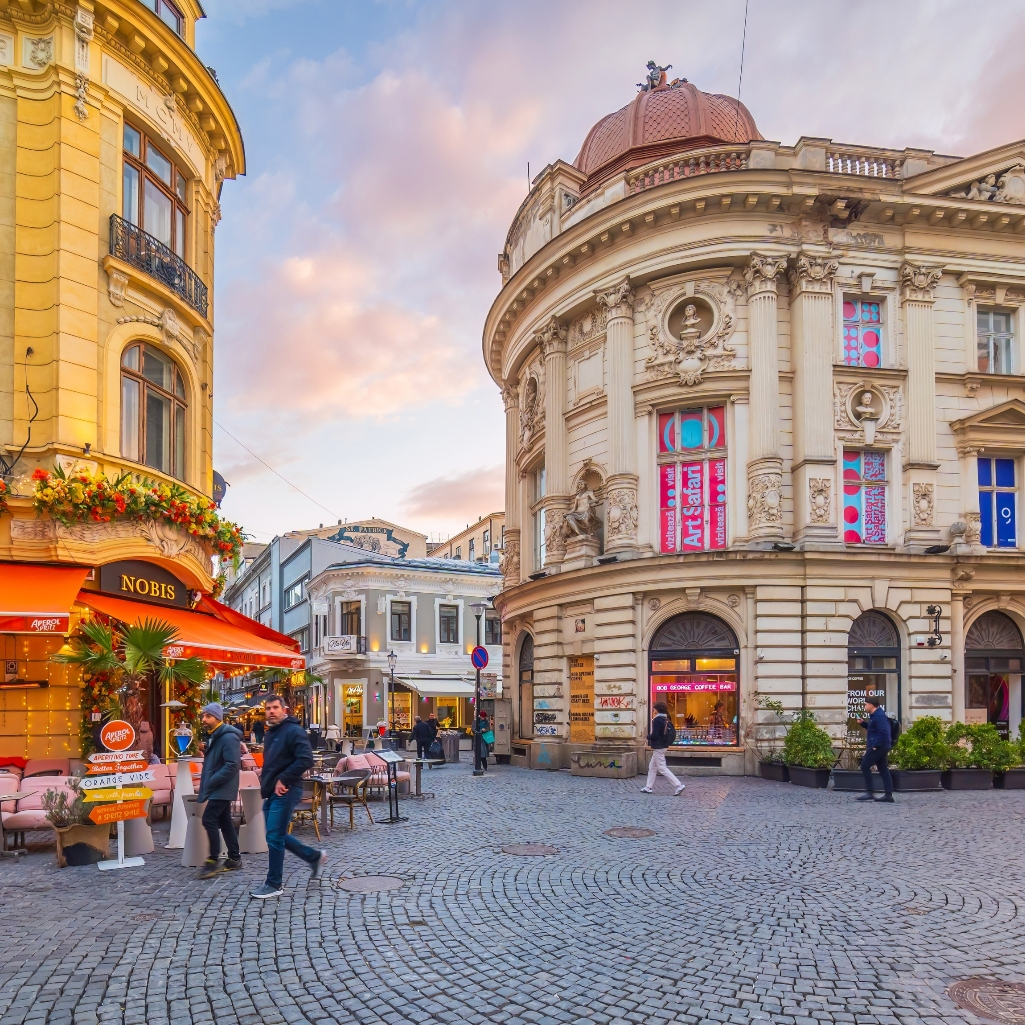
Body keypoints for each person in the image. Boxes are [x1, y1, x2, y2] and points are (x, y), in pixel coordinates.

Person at [250, 695, 326, 899]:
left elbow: (306, 759)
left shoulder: (293, 731)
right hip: (271, 791)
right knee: (276, 835)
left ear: (285, 710)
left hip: (287, 789)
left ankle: (274, 883)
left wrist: (283, 779)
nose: (271, 711)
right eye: (268, 708)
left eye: (275, 707)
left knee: (274, 836)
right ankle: (314, 857)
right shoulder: (271, 733)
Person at [195, 702, 243, 879]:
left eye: (208, 716)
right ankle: (234, 858)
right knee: (224, 821)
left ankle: (212, 861)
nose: (204, 719)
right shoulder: (215, 736)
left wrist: (213, 780)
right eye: (203, 716)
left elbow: (232, 765)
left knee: (209, 819)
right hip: (219, 786)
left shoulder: (228, 737)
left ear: (217, 718)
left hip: (222, 786)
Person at [641, 701, 685, 796]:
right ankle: (648, 787)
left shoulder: (657, 720)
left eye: (654, 709)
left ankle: (678, 785)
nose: (653, 710)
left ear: (657, 709)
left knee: (661, 768)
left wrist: (648, 737)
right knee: (652, 767)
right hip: (663, 745)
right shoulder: (665, 718)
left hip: (659, 746)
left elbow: (655, 734)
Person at [858, 697, 894, 802]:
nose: (865, 707)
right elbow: (874, 728)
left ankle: (870, 792)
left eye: (865, 704)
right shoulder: (876, 715)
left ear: (871, 705)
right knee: (883, 769)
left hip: (879, 746)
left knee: (865, 765)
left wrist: (875, 745)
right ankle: (888, 795)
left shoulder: (879, 716)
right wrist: (863, 724)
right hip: (882, 745)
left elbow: (884, 732)